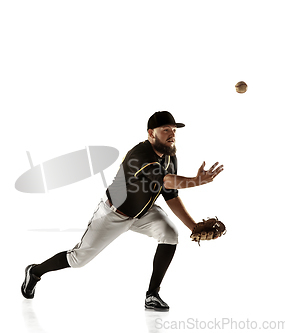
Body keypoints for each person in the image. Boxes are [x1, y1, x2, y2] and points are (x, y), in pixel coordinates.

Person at [21, 111, 224, 311]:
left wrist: (193, 226)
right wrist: (197, 181)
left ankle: (152, 295)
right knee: (78, 260)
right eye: (166, 130)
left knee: (170, 234)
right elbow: (166, 181)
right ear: (151, 133)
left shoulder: (170, 156)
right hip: (114, 213)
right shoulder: (140, 155)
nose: (172, 134)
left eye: (174, 130)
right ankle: (35, 271)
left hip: (144, 212)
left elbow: (170, 193)